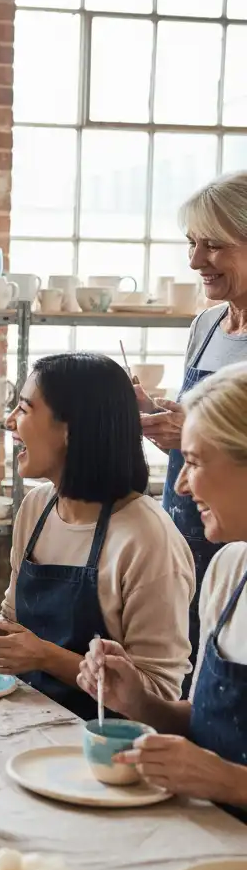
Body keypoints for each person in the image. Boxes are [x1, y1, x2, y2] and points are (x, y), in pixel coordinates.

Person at [0, 353, 194, 719]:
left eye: (24, 410)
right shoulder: (38, 506)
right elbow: (14, 631)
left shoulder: (147, 538)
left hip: (104, 747)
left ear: (71, 429)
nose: (10, 421)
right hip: (29, 718)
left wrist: (46, 656)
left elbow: (158, 694)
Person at [79, 363, 247, 820]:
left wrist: (230, 782)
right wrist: (137, 701)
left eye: (192, 462)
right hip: (208, 837)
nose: (179, 485)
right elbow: (207, 720)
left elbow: (223, 766)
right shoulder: (230, 571)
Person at [140, 171, 247, 680]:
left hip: (240, 544)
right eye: (191, 243)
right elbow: (196, 453)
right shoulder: (206, 326)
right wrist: (165, 425)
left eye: (213, 246)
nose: (194, 261)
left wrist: (191, 432)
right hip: (185, 529)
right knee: (184, 677)